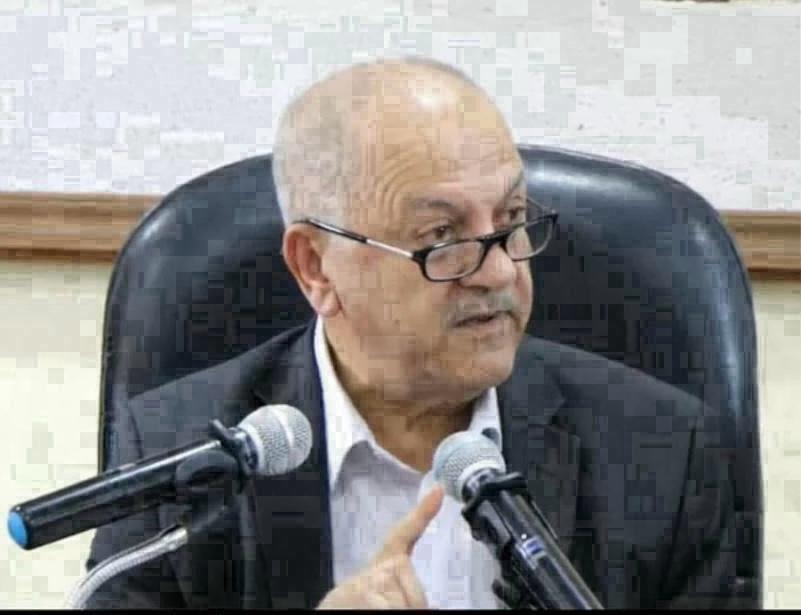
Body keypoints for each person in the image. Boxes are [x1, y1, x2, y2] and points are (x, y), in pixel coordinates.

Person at [85, 57, 756, 609]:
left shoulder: (662, 453)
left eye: (511, 220)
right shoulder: (179, 459)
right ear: (316, 267)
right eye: (442, 236)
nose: (499, 270)